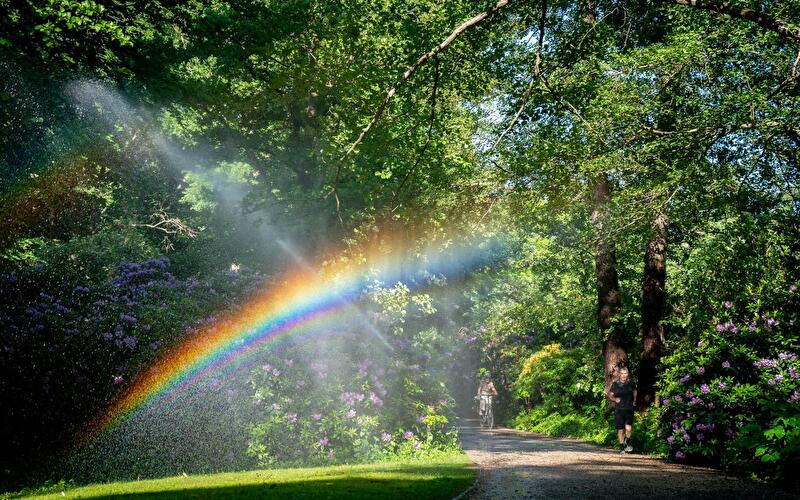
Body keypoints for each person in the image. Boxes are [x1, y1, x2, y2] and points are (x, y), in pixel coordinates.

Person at [606, 366, 636, 453]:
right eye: (622, 373)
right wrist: (615, 399)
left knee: (629, 428)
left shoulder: (631, 383)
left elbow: (634, 391)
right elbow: (609, 394)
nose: (623, 375)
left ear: (627, 374)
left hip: (629, 409)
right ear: (619, 374)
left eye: (625, 373)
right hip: (619, 410)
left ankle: (628, 443)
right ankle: (621, 447)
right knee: (620, 430)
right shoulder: (615, 384)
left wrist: (634, 399)